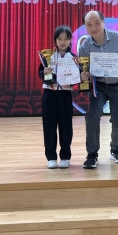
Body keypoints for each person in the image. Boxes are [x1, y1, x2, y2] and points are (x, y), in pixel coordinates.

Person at [79, 10, 118, 169]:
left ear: (103, 22)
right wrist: (83, 75)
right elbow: (83, 69)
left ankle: (116, 150)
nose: (93, 28)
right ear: (85, 27)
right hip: (98, 85)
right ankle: (92, 154)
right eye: (89, 24)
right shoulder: (85, 46)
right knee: (92, 117)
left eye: (97, 23)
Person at [38, 25, 77, 169]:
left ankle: (65, 156)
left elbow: (77, 77)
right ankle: (51, 157)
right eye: (60, 39)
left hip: (65, 95)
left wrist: (77, 79)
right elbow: (40, 73)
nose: (63, 42)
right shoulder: (47, 56)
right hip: (49, 95)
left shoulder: (74, 58)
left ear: (70, 40)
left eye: (66, 39)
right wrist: (44, 73)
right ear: (55, 40)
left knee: (66, 127)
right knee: (49, 127)